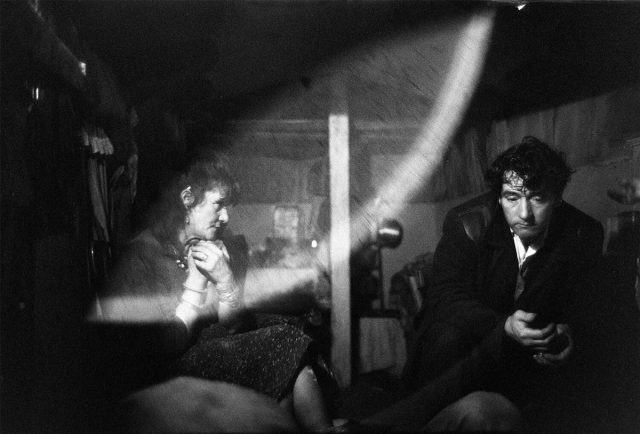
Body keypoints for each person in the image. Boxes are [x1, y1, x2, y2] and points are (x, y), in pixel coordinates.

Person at [91, 148, 335, 432]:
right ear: (187, 199)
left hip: (201, 347)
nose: (226, 216)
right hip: (165, 367)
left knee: (289, 331)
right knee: (283, 342)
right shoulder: (143, 255)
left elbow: (234, 326)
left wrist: (226, 280)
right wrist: (195, 286)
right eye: (218, 204)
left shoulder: (214, 245)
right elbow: (162, 347)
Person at [402, 136, 605, 431]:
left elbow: (591, 308)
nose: (525, 214)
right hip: (461, 354)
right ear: (499, 198)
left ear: (558, 198)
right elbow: (444, 297)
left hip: (529, 365)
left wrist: (571, 334)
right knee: (448, 338)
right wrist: (505, 326)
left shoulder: (583, 233)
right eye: (512, 198)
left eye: (537, 198)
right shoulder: (467, 223)